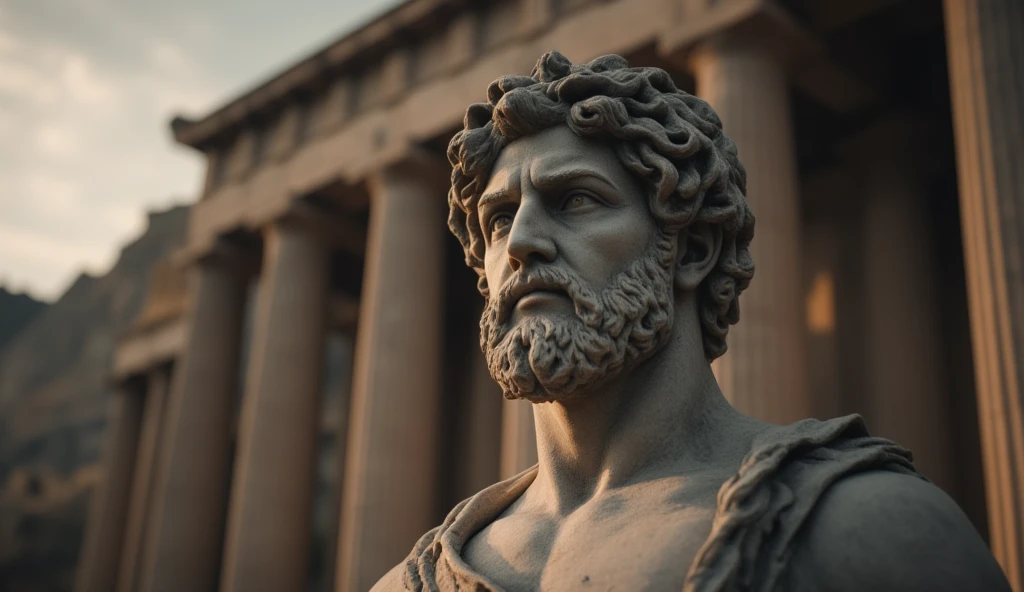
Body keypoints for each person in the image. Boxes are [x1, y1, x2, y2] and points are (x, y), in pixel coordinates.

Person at [373, 51, 1010, 591]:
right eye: (499, 218)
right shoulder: (411, 582)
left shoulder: (868, 530)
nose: (522, 242)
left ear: (693, 249)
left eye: (576, 200)